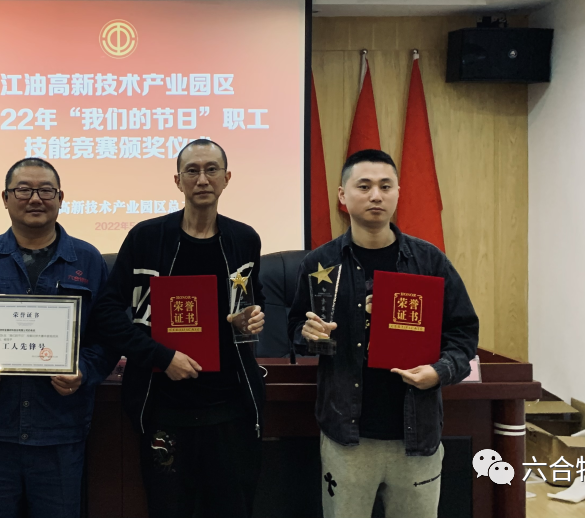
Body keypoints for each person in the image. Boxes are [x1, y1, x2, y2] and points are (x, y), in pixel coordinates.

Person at [287, 149, 479, 518]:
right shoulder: (319, 263)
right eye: (364, 186)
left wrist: (439, 371)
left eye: (385, 186)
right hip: (347, 437)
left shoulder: (430, 262)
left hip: (416, 435)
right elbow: (295, 328)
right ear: (343, 195)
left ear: (397, 193)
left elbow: (463, 335)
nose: (376, 195)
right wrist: (308, 334)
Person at [86, 139, 266, 518]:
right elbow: (107, 311)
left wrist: (250, 319)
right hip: (164, 408)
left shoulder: (244, 239)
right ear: (177, 180)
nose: (202, 179)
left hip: (229, 410)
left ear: (227, 178)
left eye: (212, 169)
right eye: (192, 171)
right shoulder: (147, 237)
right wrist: (161, 356)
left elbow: (250, 304)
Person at [0, 157, 115, 518]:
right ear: (5, 198)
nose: (35, 198)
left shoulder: (88, 261)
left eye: (46, 190)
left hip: (60, 432)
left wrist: (83, 369)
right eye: (23, 190)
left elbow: (110, 335)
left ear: (60, 198)